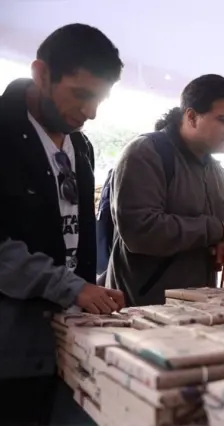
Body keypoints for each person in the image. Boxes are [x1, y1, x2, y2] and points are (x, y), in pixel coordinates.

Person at [0, 24, 125, 425]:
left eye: (100, 99)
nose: (90, 112)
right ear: (41, 73)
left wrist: (89, 288)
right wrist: (70, 287)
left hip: (70, 341)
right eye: (82, 94)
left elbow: (73, 234)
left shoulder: (81, 146)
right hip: (12, 350)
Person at [107, 74, 224, 306]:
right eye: (223, 120)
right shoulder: (145, 153)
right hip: (141, 312)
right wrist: (215, 229)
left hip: (200, 312)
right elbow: (140, 231)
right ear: (191, 116)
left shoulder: (221, 176)